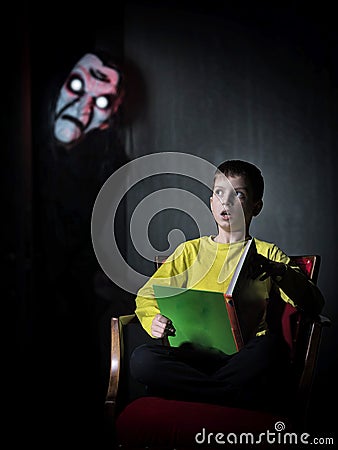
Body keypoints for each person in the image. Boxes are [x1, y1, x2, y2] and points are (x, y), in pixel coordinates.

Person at [130, 159, 325, 413]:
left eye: (239, 195)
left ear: (256, 207)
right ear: (211, 201)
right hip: (194, 357)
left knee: (272, 350)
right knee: (143, 360)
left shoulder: (267, 254)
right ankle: (228, 394)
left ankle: (191, 392)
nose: (226, 202)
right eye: (219, 193)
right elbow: (146, 296)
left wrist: (280, 272)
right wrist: (153, 319)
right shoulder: (190, 251)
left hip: (243, 360)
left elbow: (313, 303)